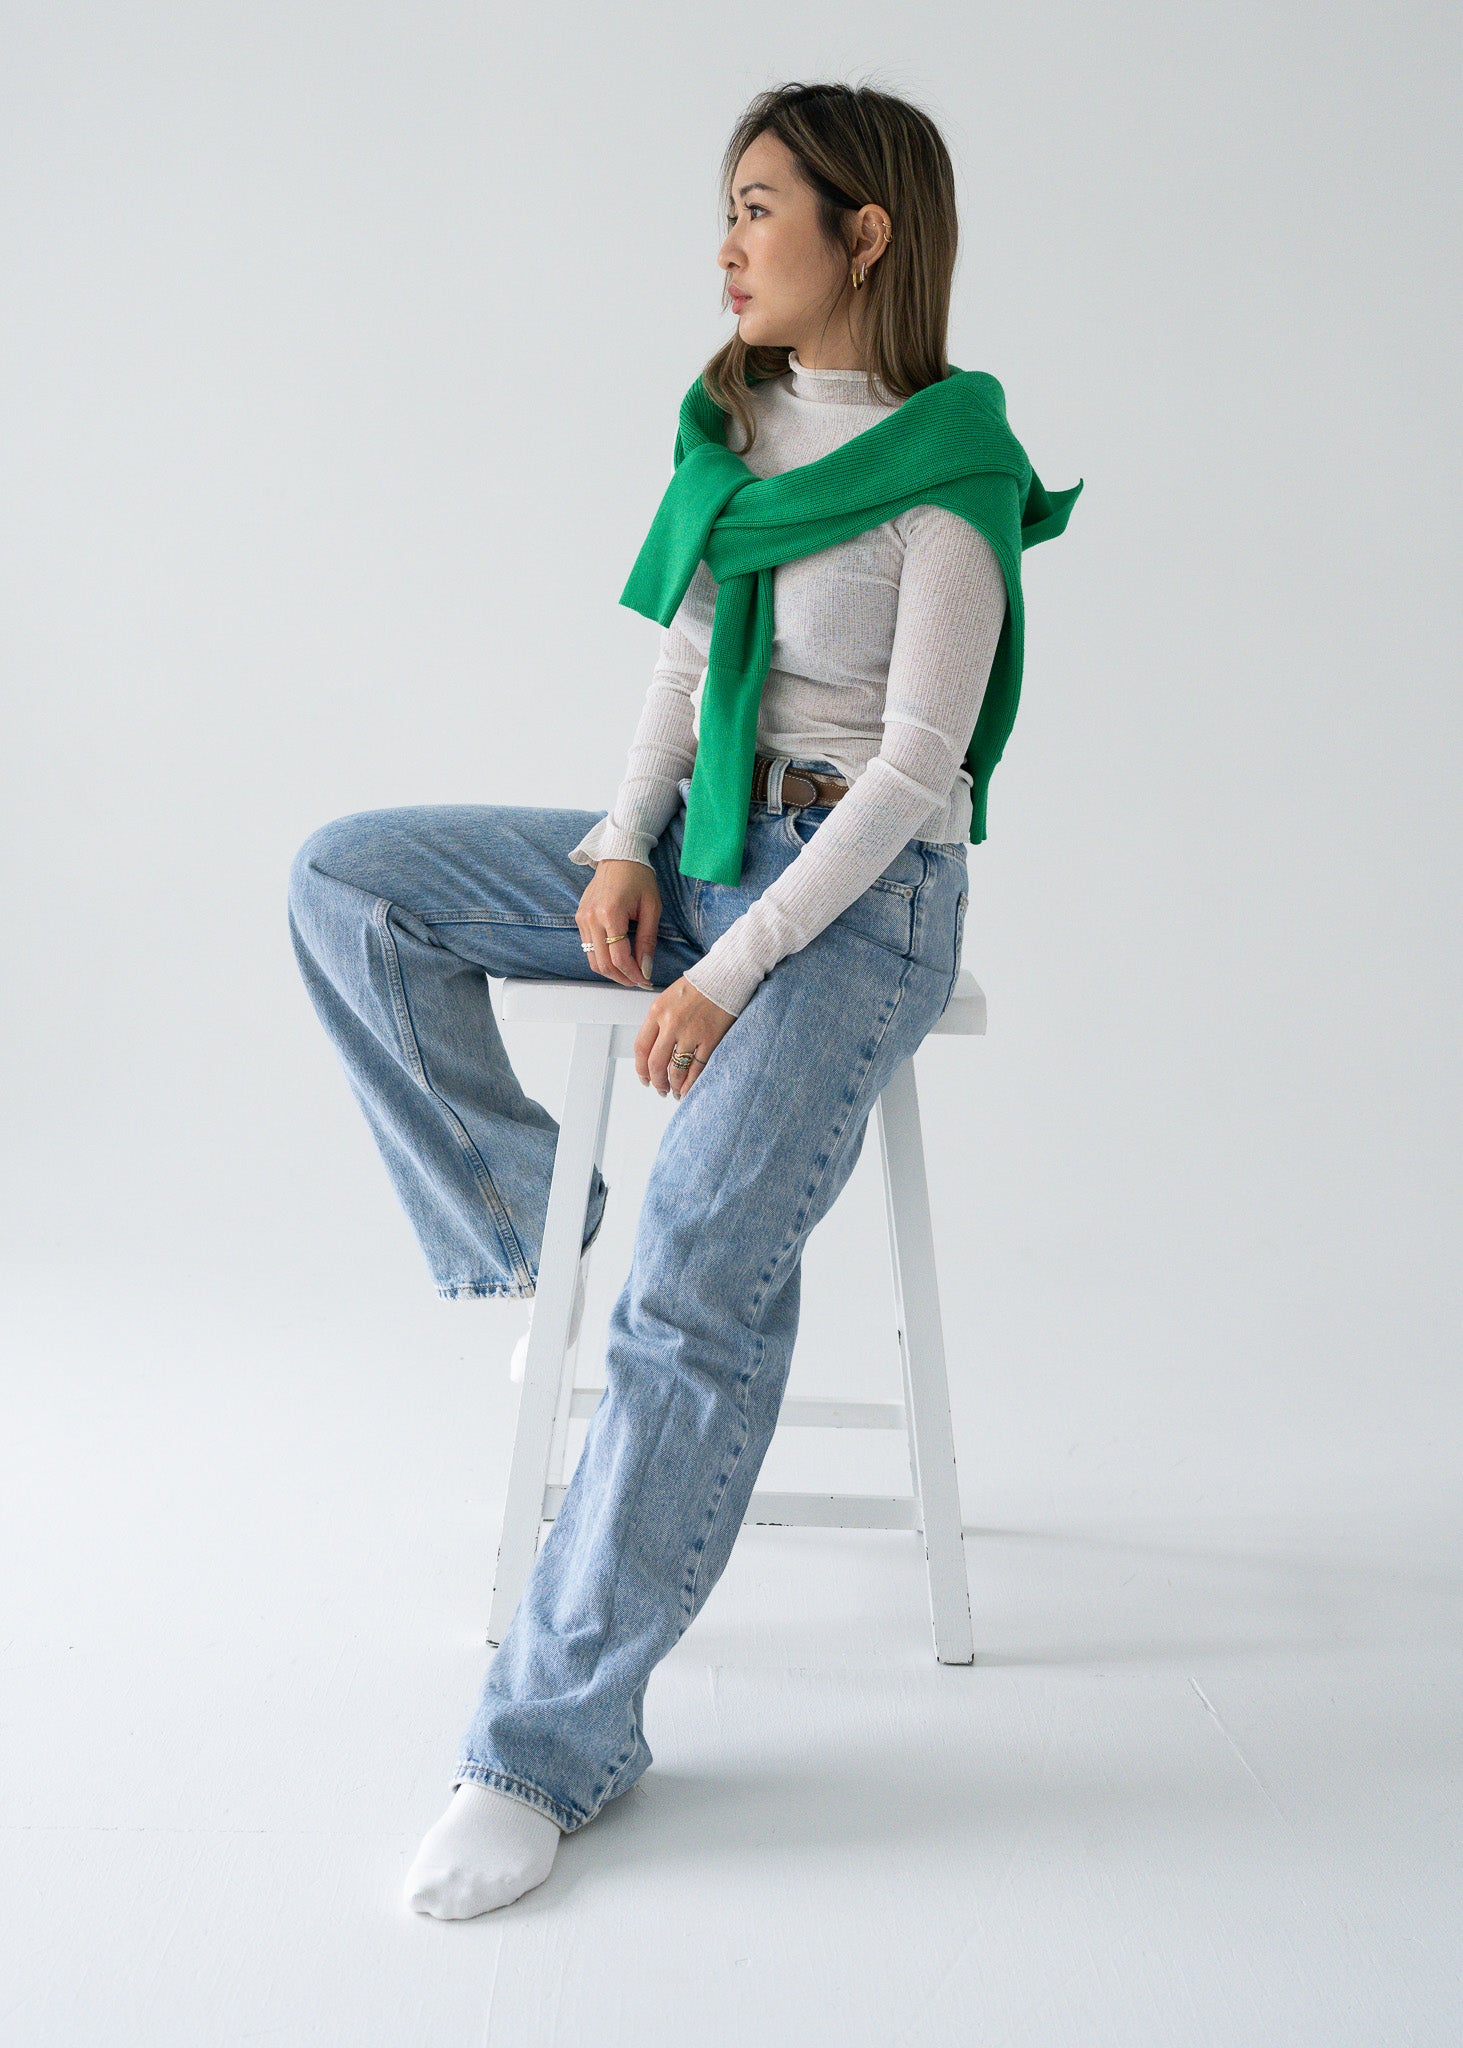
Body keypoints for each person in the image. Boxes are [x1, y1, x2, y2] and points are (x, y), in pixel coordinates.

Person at [287, 81, 1075, 1920]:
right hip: (706, 843)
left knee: (696, 1277)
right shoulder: (734, 423)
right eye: (724, 210)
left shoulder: (952, 474)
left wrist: (725, 973)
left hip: (858, 904)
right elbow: (683, 662)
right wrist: (623, 852)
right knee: (352, 877)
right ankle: (531, 1227)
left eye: (758, 209)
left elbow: (912, 781)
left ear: (865, 233)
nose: (726, 246)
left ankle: (542, 1753)